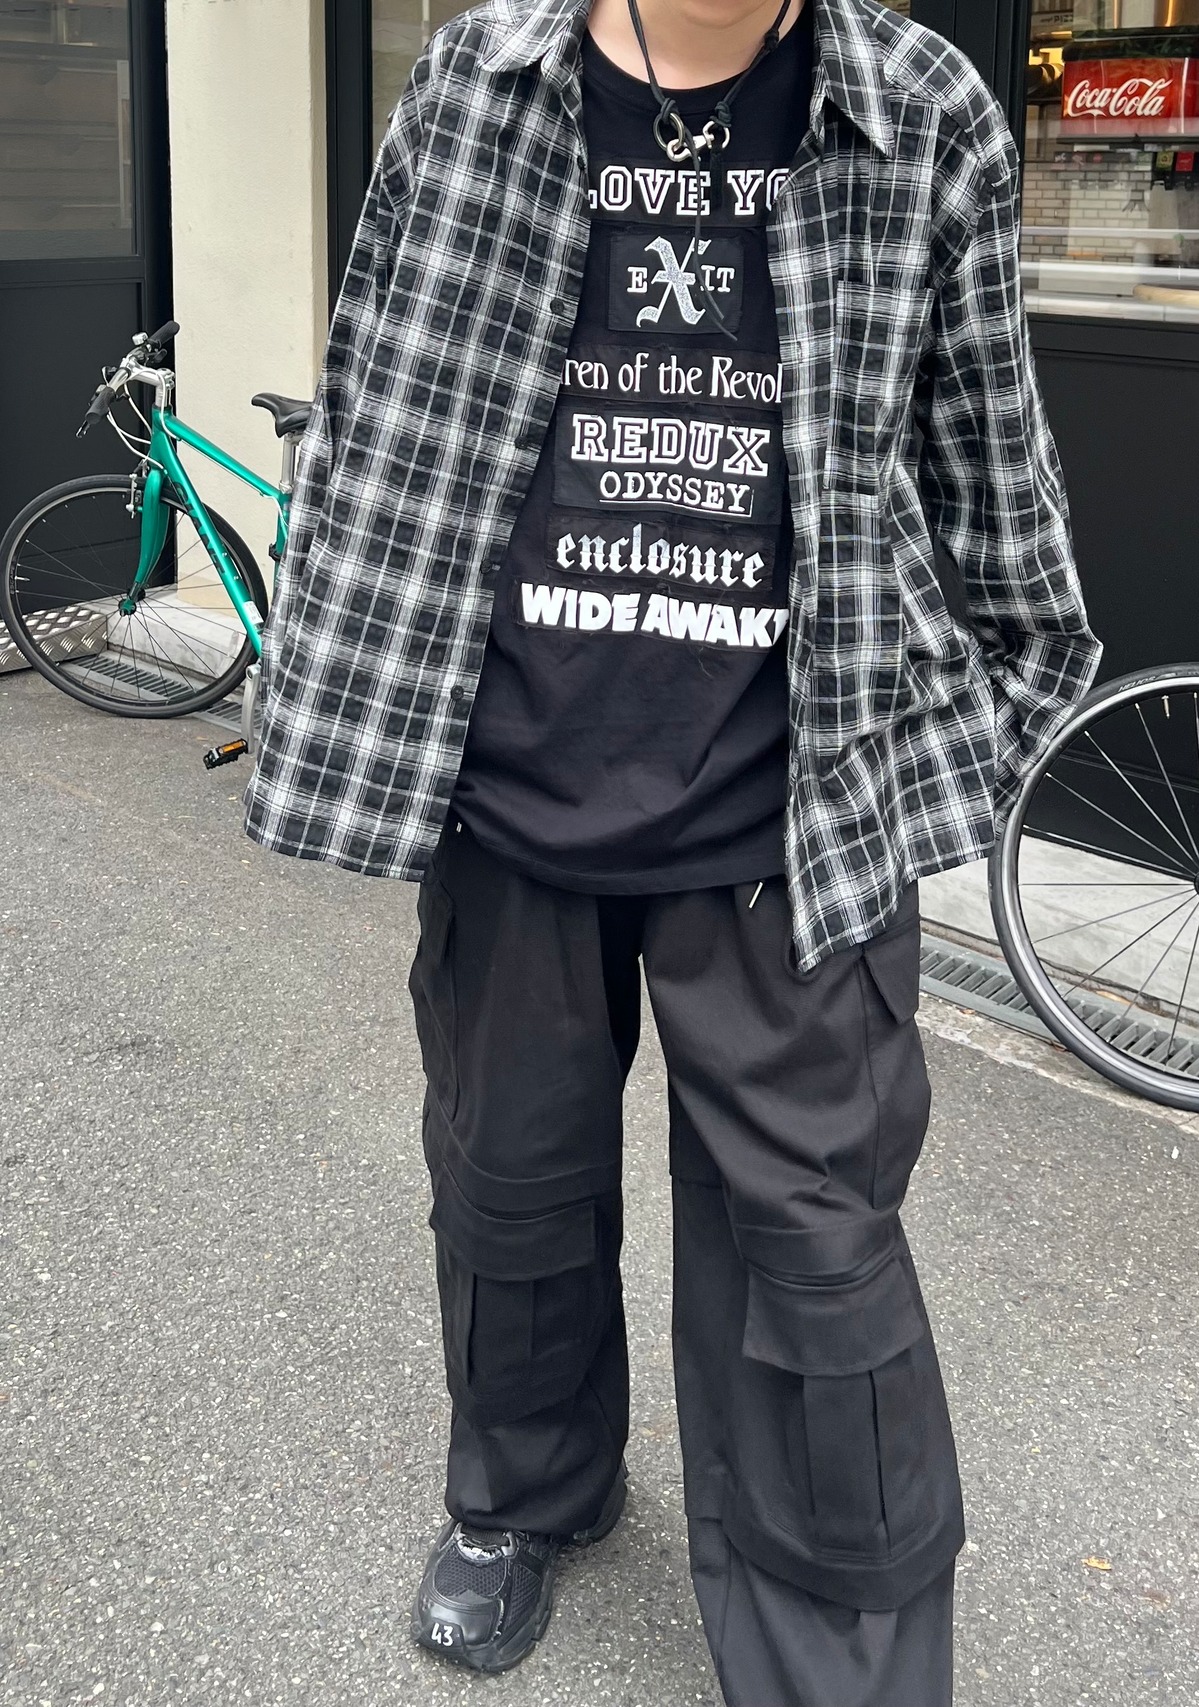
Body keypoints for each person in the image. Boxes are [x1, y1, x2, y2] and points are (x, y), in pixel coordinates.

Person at [244, 0, 1099, 1697]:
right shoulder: (475, 81)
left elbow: (995, 468)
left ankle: (830, 1643)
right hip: (512, 796)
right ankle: (522, 1494)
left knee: (817, 1247)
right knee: (508, 1186)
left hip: (787, 824)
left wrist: (955, 744)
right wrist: (352, 700)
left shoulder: (923, 109)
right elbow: (377, 413)